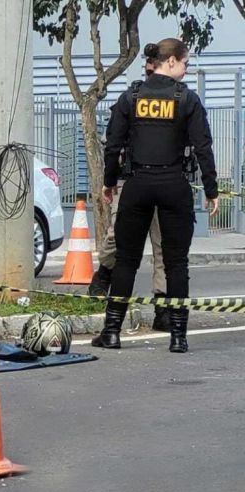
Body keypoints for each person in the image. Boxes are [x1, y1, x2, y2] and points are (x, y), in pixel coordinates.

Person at [92, 38, 219, 353]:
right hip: (174, 184)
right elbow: (203, 147)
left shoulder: (131, 96)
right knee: (176, 263)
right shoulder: (186, 99)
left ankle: (111, 332)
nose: (186, 70)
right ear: (172, 61)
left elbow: (114, 144)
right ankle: (178, 337)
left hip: (137, 184)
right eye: (186, 64)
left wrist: (109, 182)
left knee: (126, 261)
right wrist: (211, 189)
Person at [90, 47, 170, 332]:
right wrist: (110, 180)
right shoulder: (132, 98)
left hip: (165, 183)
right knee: (117, 239)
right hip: (131, 181)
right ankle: (104, 275)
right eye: (149, 67)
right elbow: (111, 142)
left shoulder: (179, 100)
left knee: (164, 248)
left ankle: (163, 307)